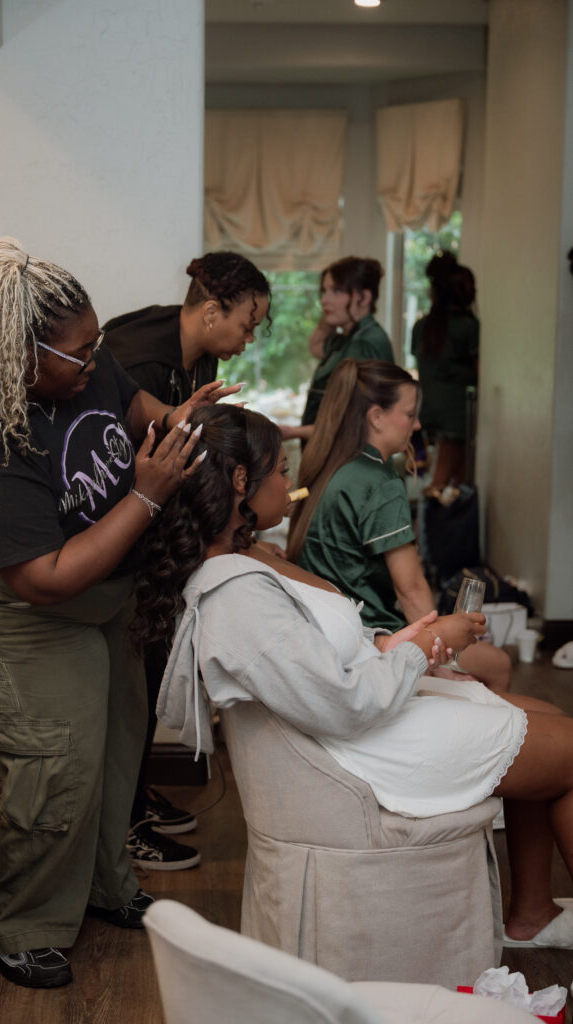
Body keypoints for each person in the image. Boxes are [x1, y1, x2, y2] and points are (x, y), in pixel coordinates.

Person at [133, 402, 573, 952]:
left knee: (548, 716)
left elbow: (319, 656)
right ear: (241, 480)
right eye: (283, 470)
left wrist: (392, 645)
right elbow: (342, 704)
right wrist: (421, 652)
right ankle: (531, 913)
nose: (291, 483)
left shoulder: (251, 556)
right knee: (567, 748)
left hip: (371, 713)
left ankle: (531, 914)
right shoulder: (236, 596)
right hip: (364, 747)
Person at [0, 238, 239, 989]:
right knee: (57, 763)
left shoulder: (84, 359)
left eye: (96, 342)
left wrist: (176, 418)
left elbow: (130, 404)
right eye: (79, 352)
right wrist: (146, 495)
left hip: (106, 584)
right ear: (19, 355)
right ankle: (21, 922)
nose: (96, 359)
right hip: (24, 611)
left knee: (118, 742)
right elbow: (48, 579)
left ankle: (104, 884)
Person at [102, 251, 271, 870]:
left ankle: (132, 798)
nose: (248, 339)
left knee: (146, 677)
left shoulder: (198, 357)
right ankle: (121, 826)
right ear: (211, 311)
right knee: (132, 686)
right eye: (247, 324)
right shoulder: (139, 358)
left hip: (153, 536)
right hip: (115, 539)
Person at [286, 359, 511, 692]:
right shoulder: (380, 482)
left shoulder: (328, 465)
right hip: (373, 635)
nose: (417, 425)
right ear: (376, 417)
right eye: (409, 414)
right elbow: (412, 589)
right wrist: (440, 656)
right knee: (499, 664)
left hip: (327, 631)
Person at [283, 257, 393, 443]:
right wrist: (331, 313)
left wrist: (294, 432)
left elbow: (354, 422)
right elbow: (315, 346)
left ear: (364, 297)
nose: (324, 300)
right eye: (324, 291)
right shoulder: (349, 337)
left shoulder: (365, 343)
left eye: (336, 291)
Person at [411, 250, 479, 493]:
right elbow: (480, 374)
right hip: (457, 418)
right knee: (439, 486)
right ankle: (424, 520)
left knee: (452, 485)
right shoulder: (468, 327)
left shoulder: (422, 327)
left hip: (429, 412)